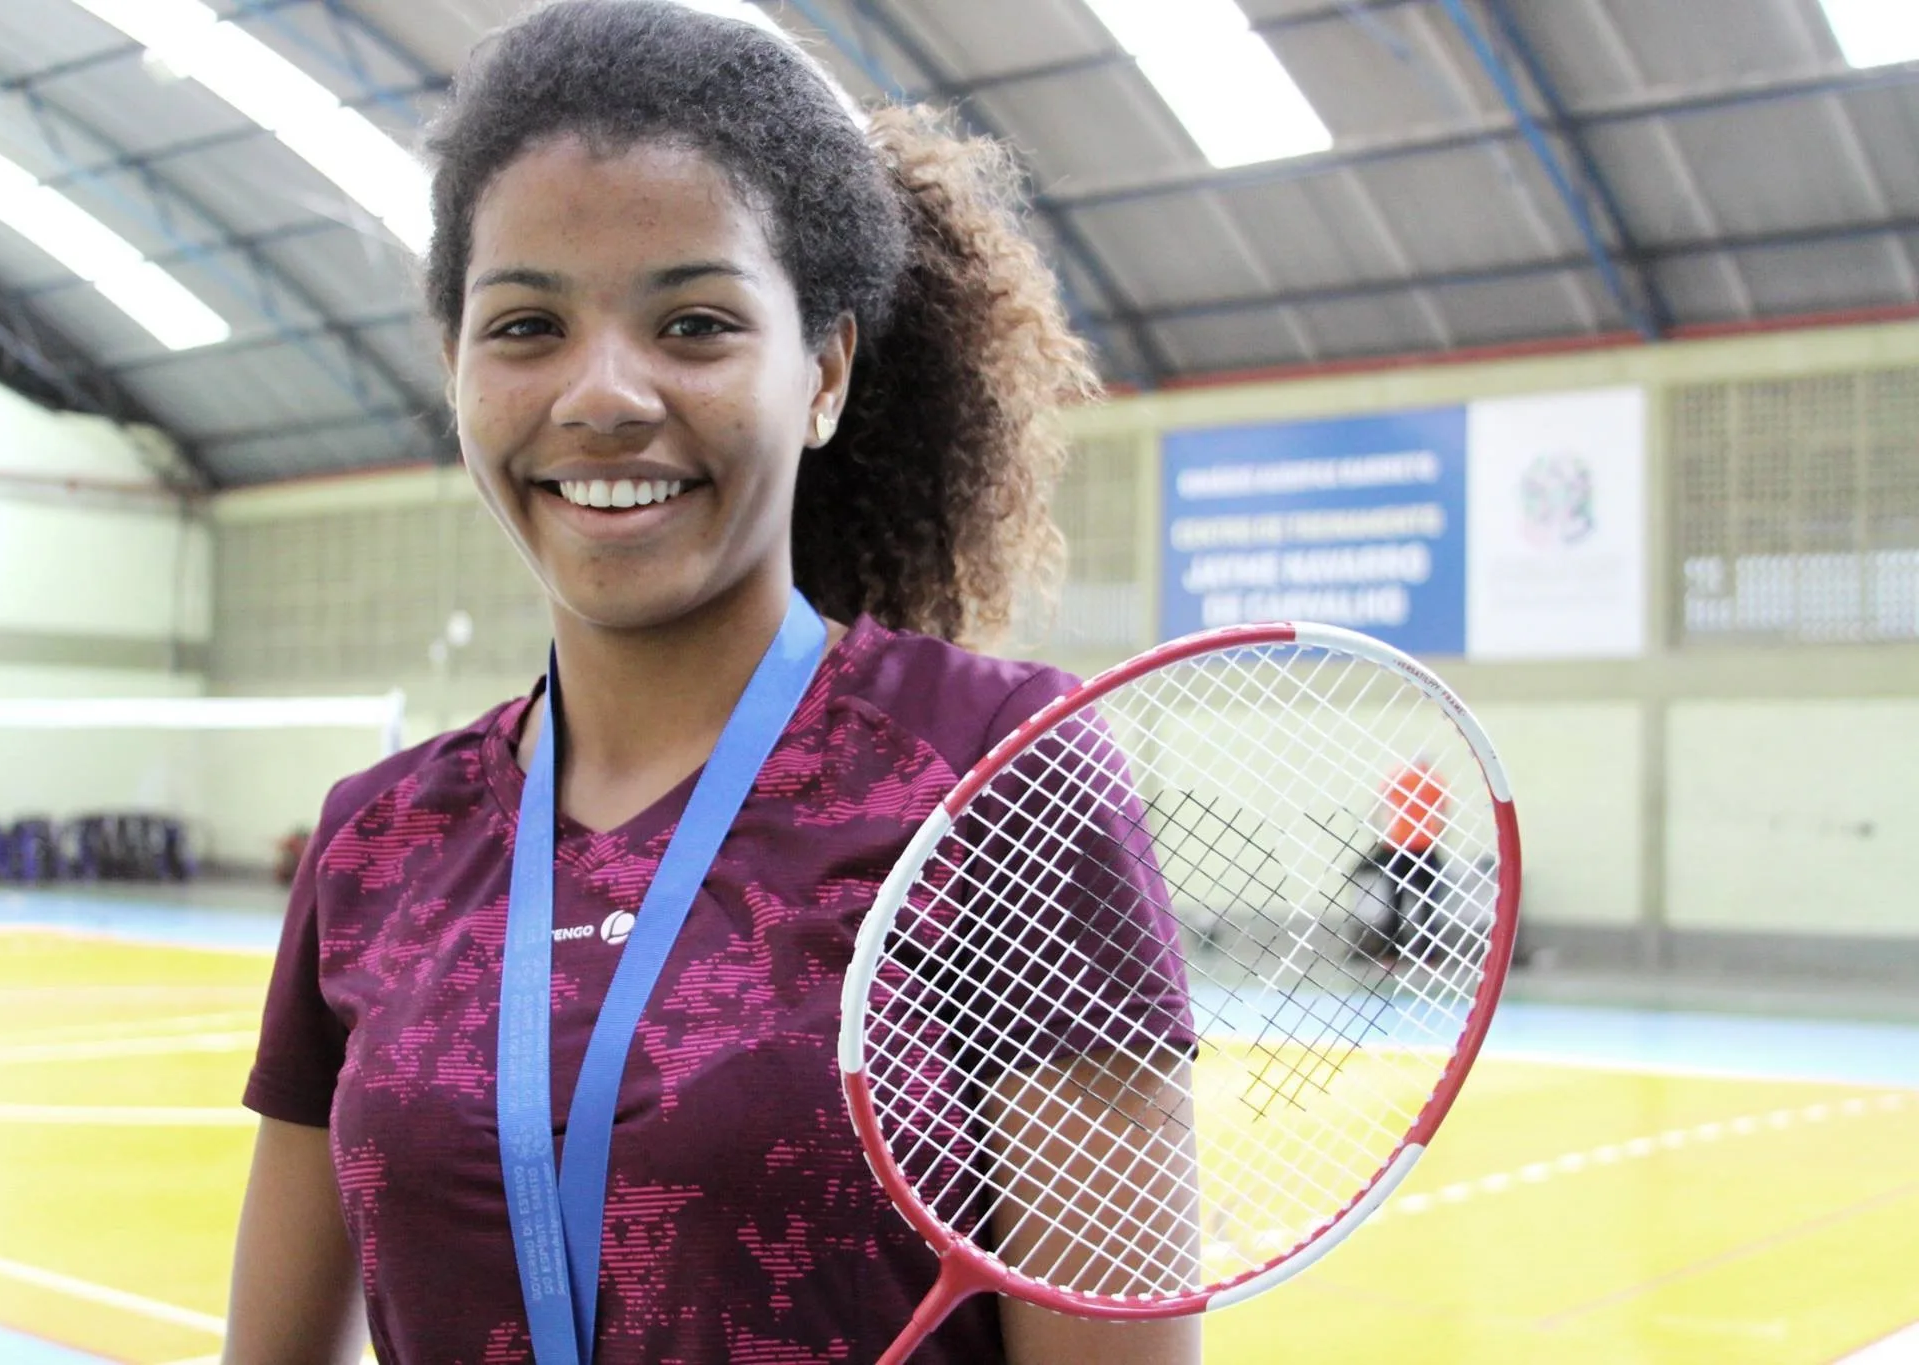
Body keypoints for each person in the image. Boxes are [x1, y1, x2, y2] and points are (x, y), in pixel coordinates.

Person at [223, 4, 1200, 1363]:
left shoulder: (1001, 777)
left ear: (825, 374)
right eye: (524, 326)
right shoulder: (374, 840)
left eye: (692, 323)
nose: (604, 394)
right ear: (455, 368)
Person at [1368, 758, 1450, 963]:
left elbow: (1377, 808)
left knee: (1395, 901)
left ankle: (1392, 950)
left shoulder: (1398, 778)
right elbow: (1444, 815)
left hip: (1399, 846)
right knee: (1428, 903)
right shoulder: (1435, 781)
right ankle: (1428, 953)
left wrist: (1381, 836)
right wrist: (1437, 838)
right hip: (1423, 847)